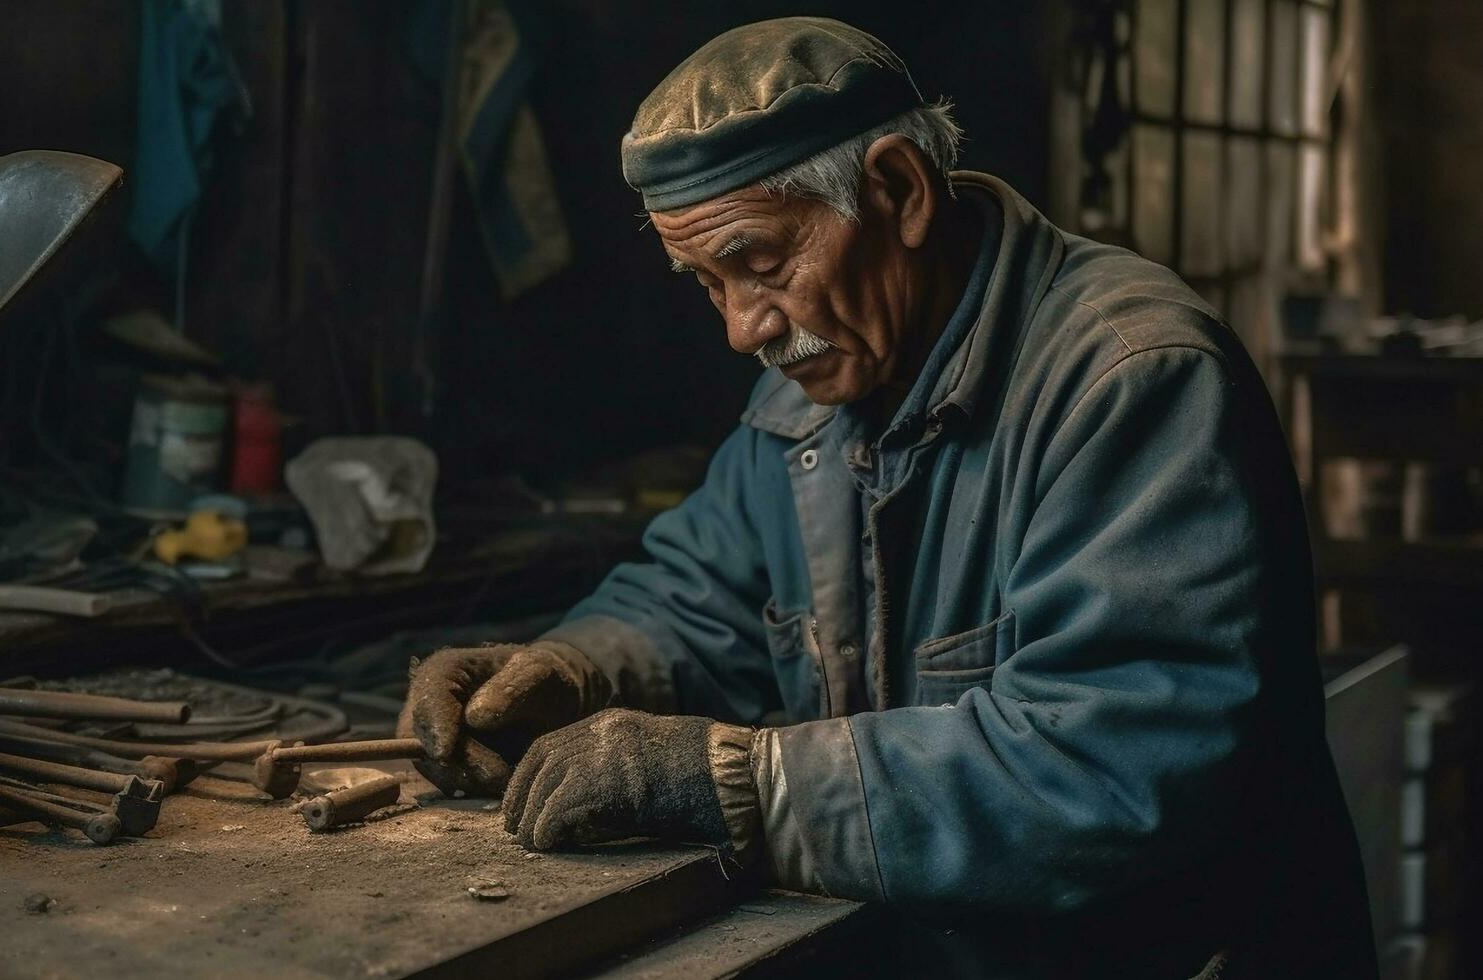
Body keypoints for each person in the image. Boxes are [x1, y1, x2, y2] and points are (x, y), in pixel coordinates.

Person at [399, 17, 1375, 977]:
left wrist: (738, 780)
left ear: (899, 192)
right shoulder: (814, 383)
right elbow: (697, 593)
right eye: (705, 283)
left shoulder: (1129, 377)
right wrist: (570, 667)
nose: (743, 328)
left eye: (761, 263)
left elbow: (1110, 764)